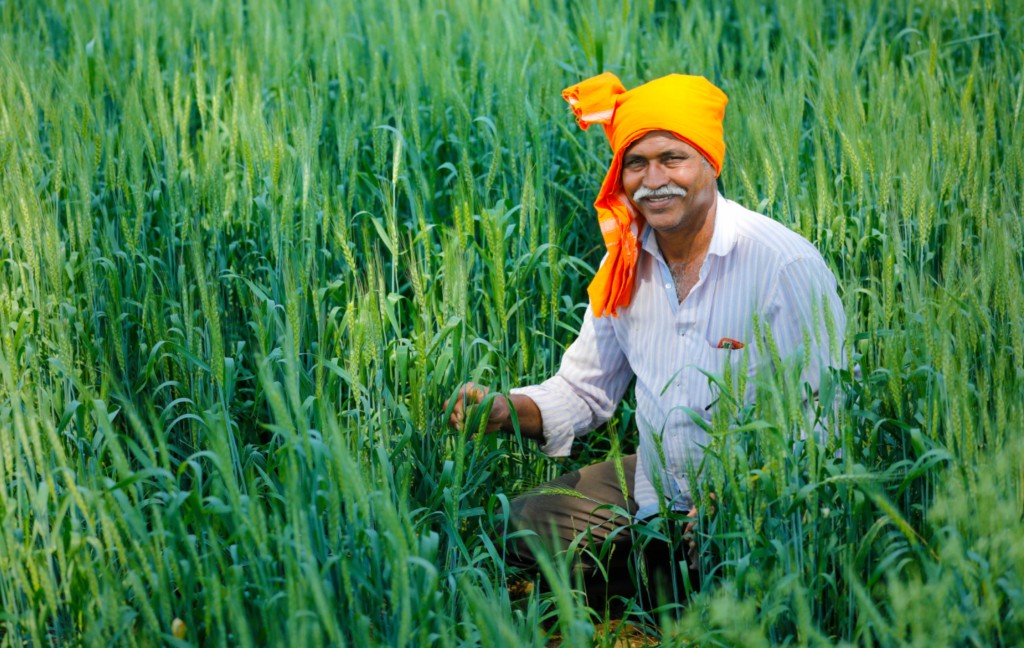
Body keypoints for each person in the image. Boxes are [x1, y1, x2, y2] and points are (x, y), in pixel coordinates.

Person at [445, 72, 846, 602]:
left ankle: (668, 583)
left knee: (727, 566)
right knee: (519, 524)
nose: (653, 179)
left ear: (710, 162)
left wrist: (749, 496)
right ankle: (658, 573)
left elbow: (827, 415)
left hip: (755, 500)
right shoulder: (625, 264)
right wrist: (504, 409)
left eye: (672, 158)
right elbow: (583, 391)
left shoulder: (781, 265)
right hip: (656, 483)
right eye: (636, 163)